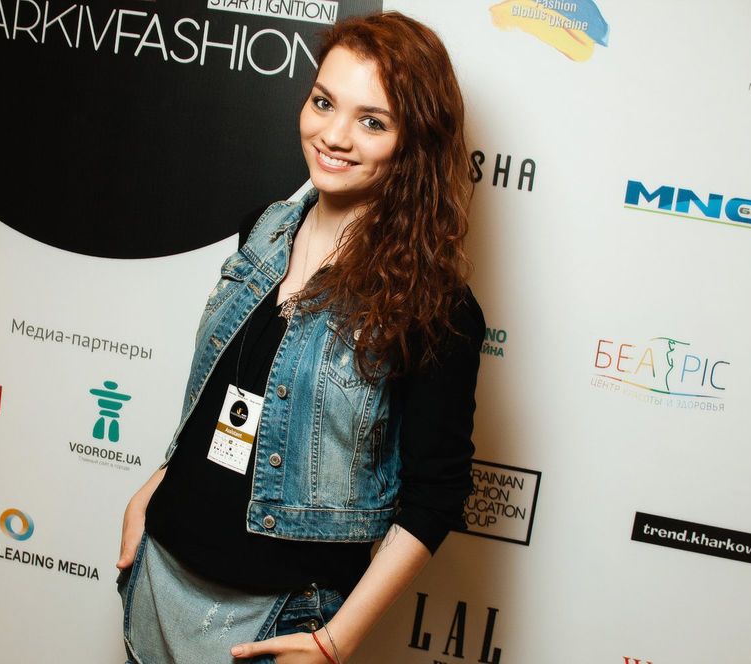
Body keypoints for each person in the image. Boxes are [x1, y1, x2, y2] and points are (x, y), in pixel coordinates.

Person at [116, 11, 485, 664]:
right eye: (323, 102)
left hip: (280, 618)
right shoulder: (261, 230)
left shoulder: (436, 307)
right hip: (158, 576)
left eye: (373, 121)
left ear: (416, 142)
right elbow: (233, 396)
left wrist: (334, 643)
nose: (334, 136)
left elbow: (434, 499)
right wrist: (158, 483)